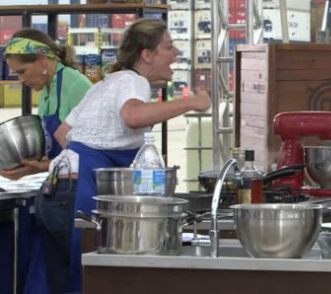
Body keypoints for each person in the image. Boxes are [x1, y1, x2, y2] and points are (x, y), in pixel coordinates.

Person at [59, 19, 211, 291]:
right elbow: (133, 116)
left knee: (77, 272)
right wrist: (190, 102)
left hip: (71, 187)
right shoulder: (134, 81)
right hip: (90, 189)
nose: (176, 53)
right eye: (169, 46)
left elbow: (63, 133)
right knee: (94, 275)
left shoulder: (106, 84)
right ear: (147, 54)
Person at [1, 29, 92, 294]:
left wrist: (39, 167)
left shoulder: (76, 86)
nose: (20, 80)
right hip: (58, 193)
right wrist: (29, 165)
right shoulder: (48, 89)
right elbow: (55, 149)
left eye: (20, 72)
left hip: (78, 195)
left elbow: (85, 150)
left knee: (71, 276)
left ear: (42, 59)